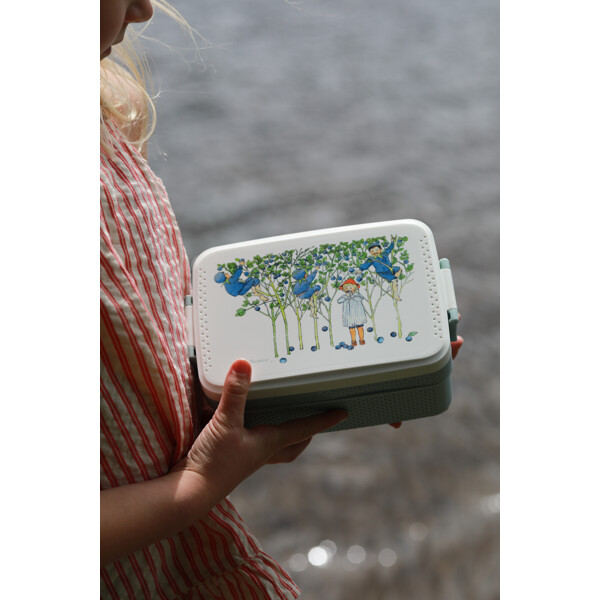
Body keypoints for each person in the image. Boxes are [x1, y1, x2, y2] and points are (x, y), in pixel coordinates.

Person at [100, 1, 463, 597]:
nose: (144, 9)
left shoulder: (105, 122)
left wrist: (244, 417)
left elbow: (138, 358)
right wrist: (197, 484)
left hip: (191, 553)